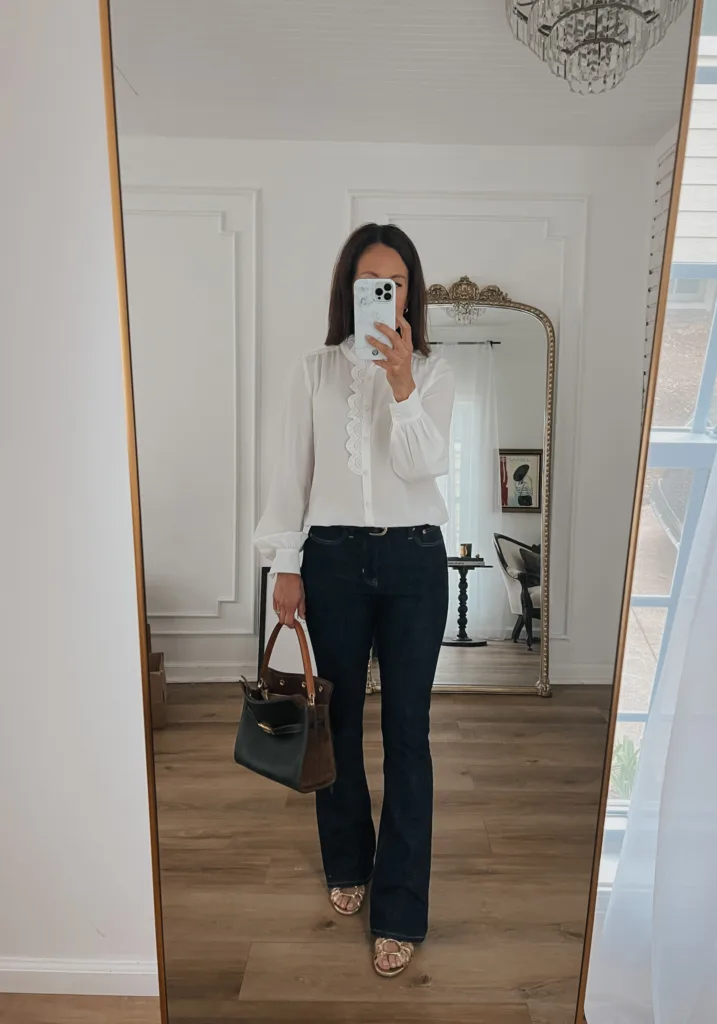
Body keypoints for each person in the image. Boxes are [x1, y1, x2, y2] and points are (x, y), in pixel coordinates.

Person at [254, 223, 454, 978]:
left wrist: (402, 384)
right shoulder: (314, 370)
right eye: (373, 281)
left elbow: (424, 465)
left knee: (408, 735)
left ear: (412, 292)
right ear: (349, 289)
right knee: (333, 722)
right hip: (332, 558)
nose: (386, 293)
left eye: (397, 282)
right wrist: (285, 561)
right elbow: (291, 475)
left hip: (414, 561)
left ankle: (400, 906)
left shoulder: (435, 371)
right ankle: (347, 860)